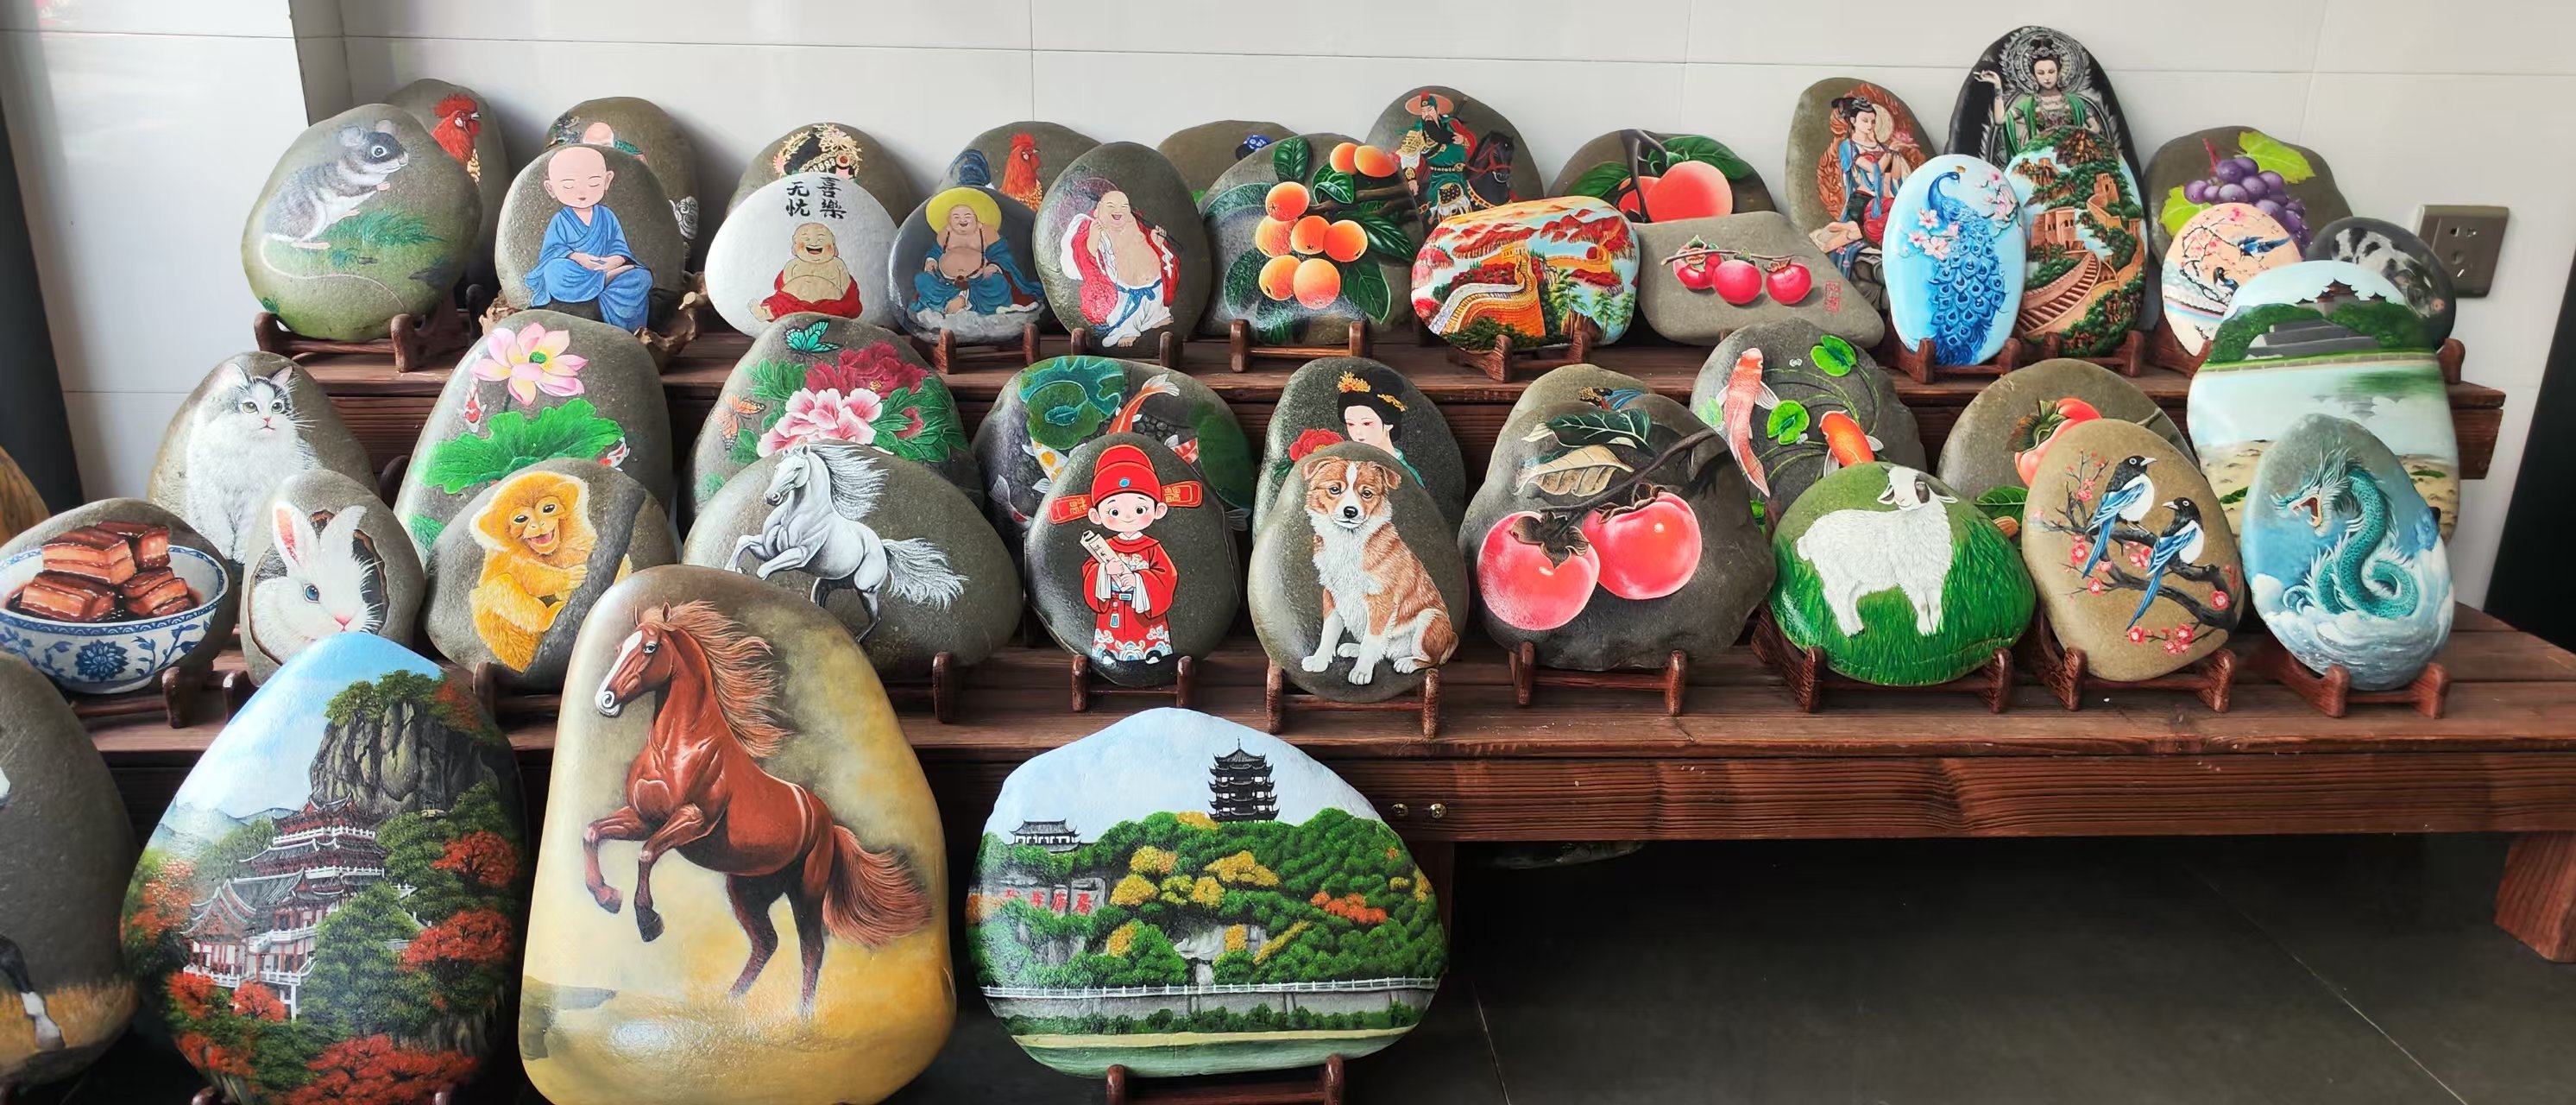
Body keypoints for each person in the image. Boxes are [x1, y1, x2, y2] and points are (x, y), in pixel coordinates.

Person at [1067, 443, 1202, 665]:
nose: (1128, 517)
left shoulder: (1152, 547)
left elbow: (1167, 577)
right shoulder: (1103, 548)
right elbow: (1089, 573)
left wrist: (1139, 580)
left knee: (1149, 648)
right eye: (1114, 511)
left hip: (1144, 614)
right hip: (1113, 612)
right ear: (1096, 516)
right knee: (1112, 646)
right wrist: (1103, 571)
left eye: (1140, 509)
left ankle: (1152, 654)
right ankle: (1111, 655)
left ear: (1158, 510)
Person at [526, 144, 652, 331]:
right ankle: (605, 279)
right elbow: (552, 252)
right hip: (579, 271)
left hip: (606, 265)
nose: (582, 193)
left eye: (593, 183)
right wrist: (578, 257)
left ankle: (608, 281)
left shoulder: (607, 216)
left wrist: (614, 261)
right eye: (569, 185)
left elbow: (619, 246)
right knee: (554, 271)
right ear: (551, 188)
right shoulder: (560, 220)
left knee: (642, 277)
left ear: (607, 181)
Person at [1058, 189, 1175, 347]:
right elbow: (1087, 257)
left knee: (1155, 301)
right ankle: (1128, 331)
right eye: (1111, 206)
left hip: (1153, 283)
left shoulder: (1136, 223)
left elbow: (1149, 248)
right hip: (1126, 288)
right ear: (1098, 210)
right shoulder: (1098, 228)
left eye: (1124, 206)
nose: (1118, 210)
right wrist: (1094, 238)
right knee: (1130, 312)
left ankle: (1157, 315)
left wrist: (1157, 244)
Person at [909, 186, 1039, 325]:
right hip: (945, 281)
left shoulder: (987, 232)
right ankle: (949, 303)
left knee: (998, 283)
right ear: (949, 221)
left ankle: (967, 301)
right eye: (956, 217)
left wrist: (994, 266)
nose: (962, 220)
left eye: (967, 216)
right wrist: (931, 261)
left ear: (977, 218)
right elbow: (936, 251)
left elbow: (1001, 254)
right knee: (922, 279)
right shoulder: (945, 233)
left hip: (979, 280)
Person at [1973, 39, 2110, 161]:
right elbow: (2000, 120)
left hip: (2073, 157)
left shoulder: (2075, 102)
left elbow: (2096, 127)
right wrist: (1998, 86)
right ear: (2034, 76)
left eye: (2051, 72)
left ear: (2059, 72)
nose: (2047, 78)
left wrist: (2078, 139)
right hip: (2042, 160)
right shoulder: (2028, 104)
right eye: (2041, 73)